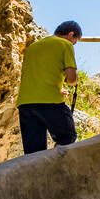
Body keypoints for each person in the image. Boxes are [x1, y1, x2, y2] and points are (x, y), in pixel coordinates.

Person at [16, 20, 82, 154]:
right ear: (71, 34)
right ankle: (56, 167)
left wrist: (58, 88)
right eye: (74, 41)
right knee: (68, 136)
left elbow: (40, 75)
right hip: (49, 101)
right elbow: (71, 80)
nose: (73, 44)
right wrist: (75, 80)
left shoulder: (32, 47)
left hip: (25, 104)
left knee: (34, 153)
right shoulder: (65, 44)